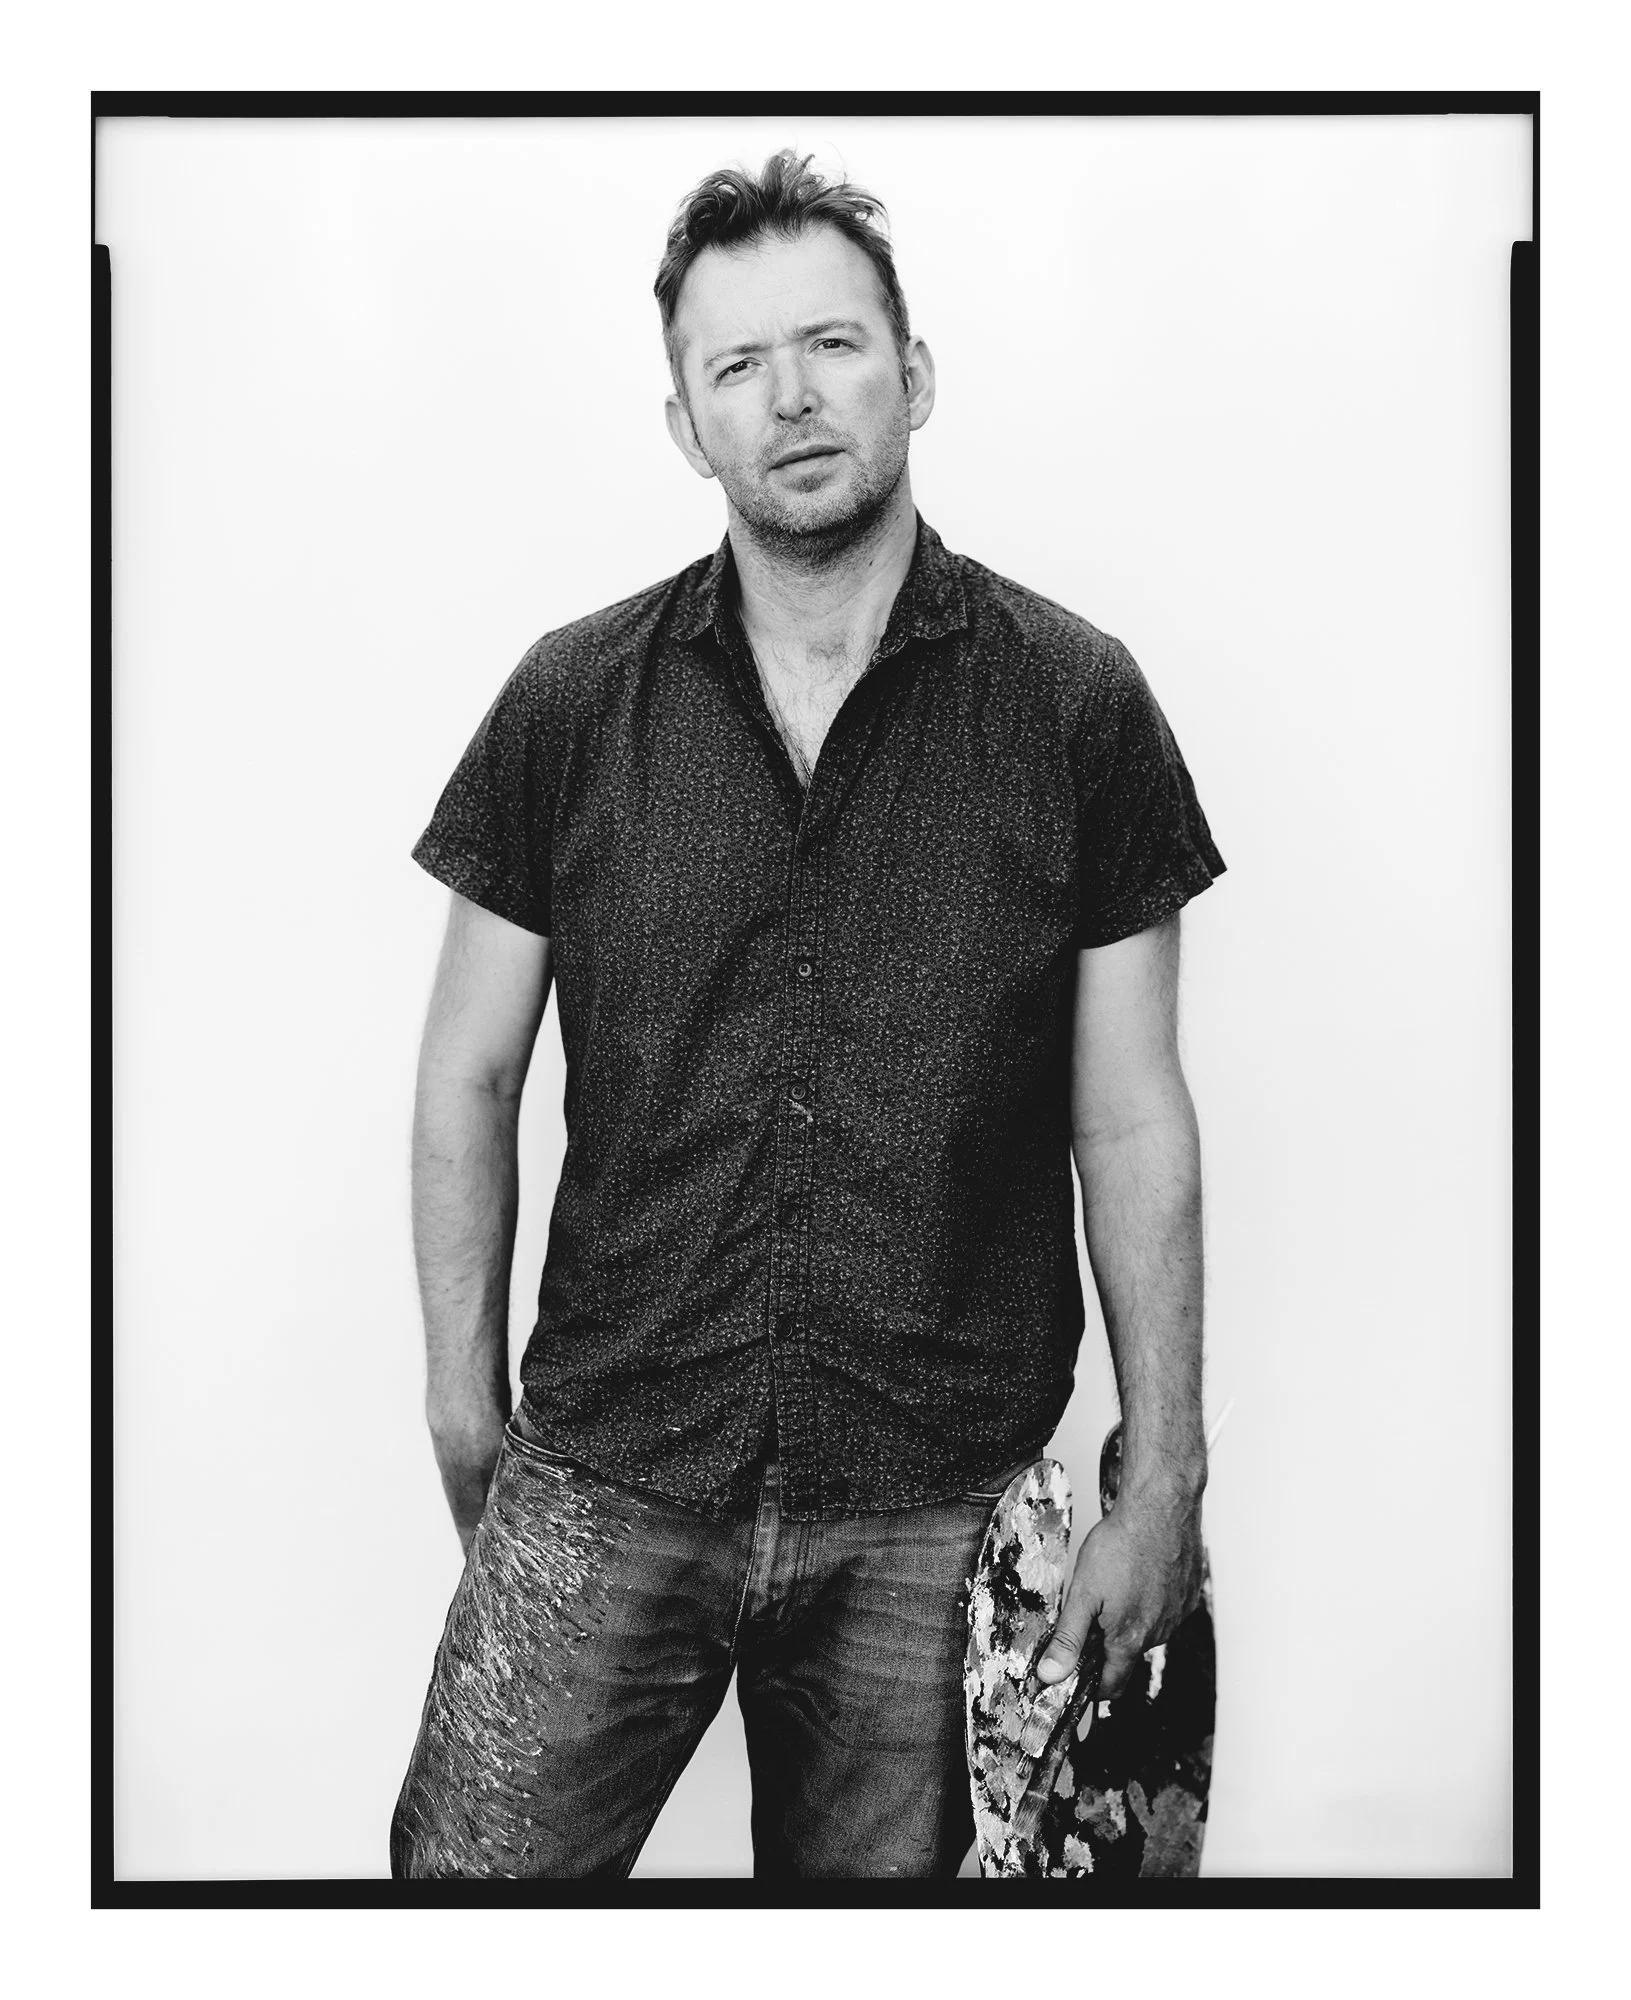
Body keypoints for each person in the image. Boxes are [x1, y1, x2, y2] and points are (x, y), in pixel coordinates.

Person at [389, 149, 1225, 1881]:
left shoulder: (1075, 703)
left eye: (833, 345)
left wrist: (1162, 1477)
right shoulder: (569, 700)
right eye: (734, 367)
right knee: (456, 1909)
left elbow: (1131, 1111)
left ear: (912, 375)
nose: (791, 399)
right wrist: (463, 1413)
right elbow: (465, 1076)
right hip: (608, 1459)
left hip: (934, 1497)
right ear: (686, 425)